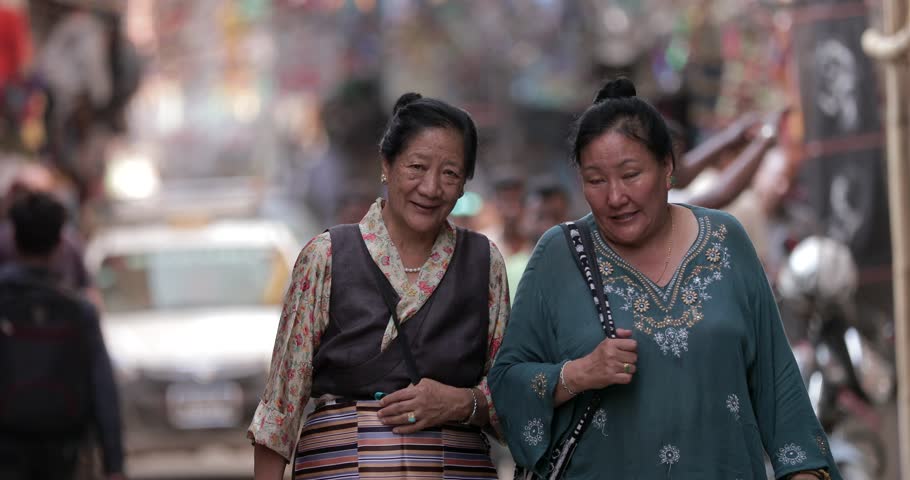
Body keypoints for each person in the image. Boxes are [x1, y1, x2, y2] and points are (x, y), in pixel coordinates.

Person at [488, 78, 840, 480]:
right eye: (596, 180)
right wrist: (577, 374)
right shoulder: (560, 254)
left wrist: (804, 472)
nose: (615, 196)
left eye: (631, 174)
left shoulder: (726, 240)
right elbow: (506, 383)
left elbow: (779, 383)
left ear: (668, 168)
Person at [249, 92, 510, 479]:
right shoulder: (326, 257)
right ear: (386, 165)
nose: (431, 187)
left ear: (464, 184)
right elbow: (281, 408)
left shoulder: (484, 263)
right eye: (417, 167)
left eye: (451, 174)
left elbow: (511, 398)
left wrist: (461, 403)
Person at [0, 191, 124, 480]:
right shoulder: (79, 311)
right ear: (59, 244)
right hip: (66, 450)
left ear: (15, 240)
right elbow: (102, 387)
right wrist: (114, 463)